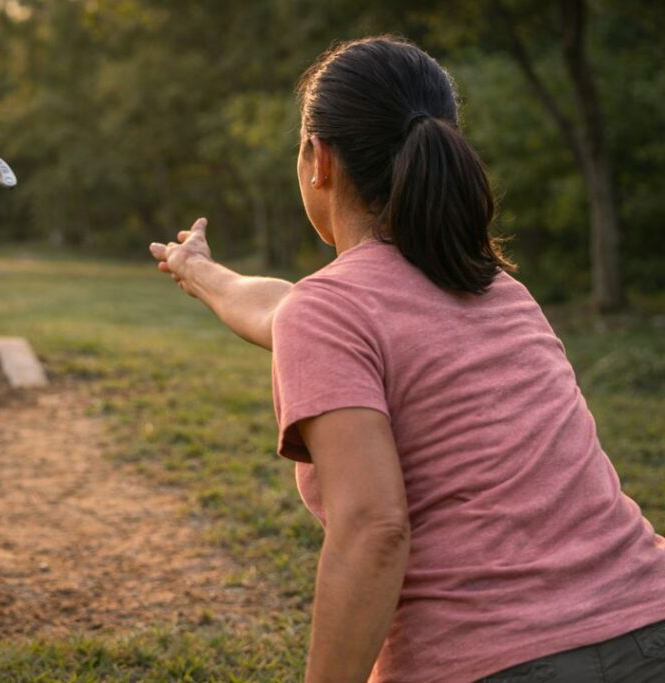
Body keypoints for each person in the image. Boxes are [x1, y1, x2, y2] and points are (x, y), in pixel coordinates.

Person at [148, 36, 665, 683]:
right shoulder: (495, 285)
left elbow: (374, 528)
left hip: (496, 662)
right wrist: (199, 270)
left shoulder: (334, 311)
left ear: (318, 160)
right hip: (650, 625)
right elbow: (279, 309)